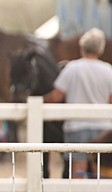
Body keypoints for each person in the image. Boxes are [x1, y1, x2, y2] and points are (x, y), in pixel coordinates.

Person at [45, 27, 112, 180]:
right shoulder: (108, 70)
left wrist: (38, 102)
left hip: (76, 126)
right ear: (100, 49)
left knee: (78, 168)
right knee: (100, 168)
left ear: (82, 47)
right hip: (102, 126)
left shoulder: (72, 68)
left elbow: (56, 96)